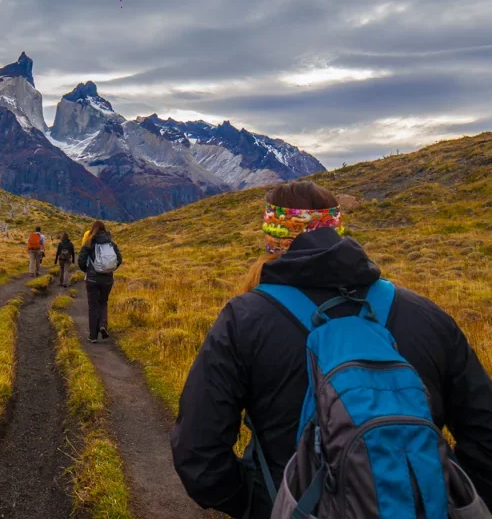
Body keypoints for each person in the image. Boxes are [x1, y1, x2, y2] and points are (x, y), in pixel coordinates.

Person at [171, 181, 492, 518]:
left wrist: (259, 502)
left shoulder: (245, 319)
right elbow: (484, 434)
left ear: (272, 235)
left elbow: (198, 454)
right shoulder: (425, 314)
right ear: (337, 228)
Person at [78, 220, 122, 343]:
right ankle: (102, 325)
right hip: (107, 279)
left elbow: (81, 260)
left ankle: (92, 336)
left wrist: (86, 270)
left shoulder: (89, 242)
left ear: (93, 229)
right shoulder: (111, 243)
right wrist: (110, 269)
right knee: (103, 302)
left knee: (93, 306)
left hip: (92, 278)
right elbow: (119, 259)